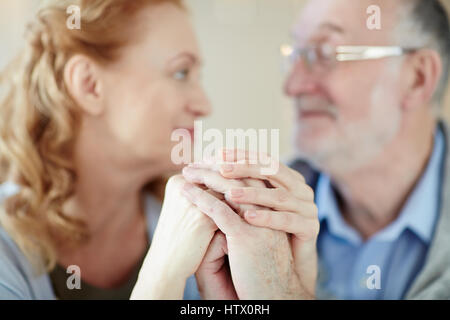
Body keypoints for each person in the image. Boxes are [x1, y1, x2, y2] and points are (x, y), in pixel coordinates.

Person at [0, 0, 318, 300]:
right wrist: (163, 275)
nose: (203, 105)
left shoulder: (209, 232)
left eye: (197, 76)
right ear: (89, 85)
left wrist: (285, 289)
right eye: (180, 73)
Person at [182, 0, 450, 299]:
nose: (292, 86)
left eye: (325, 53)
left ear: (417, 78)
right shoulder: (240, 219)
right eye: (295, 54)